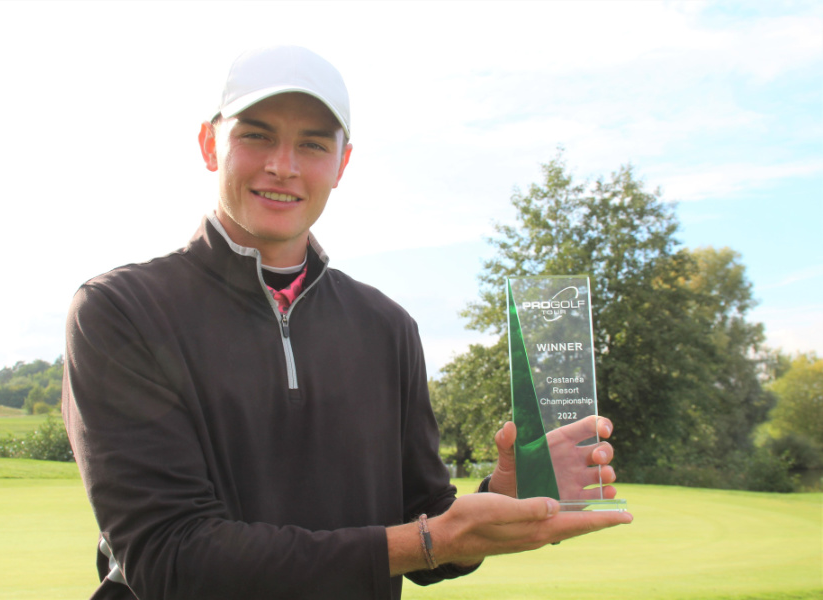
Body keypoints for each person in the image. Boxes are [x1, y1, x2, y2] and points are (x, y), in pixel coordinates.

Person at [62, 45, 631, 600]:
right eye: (256, 135)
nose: (282, 166)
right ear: (211, 144)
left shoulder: (387, 327)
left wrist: (499, 496)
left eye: (312, 144)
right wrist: (429, 540)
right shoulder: (120, 310)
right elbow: (171, 560)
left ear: (342, 164)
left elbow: (425, 524)